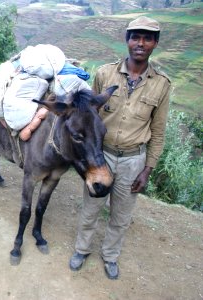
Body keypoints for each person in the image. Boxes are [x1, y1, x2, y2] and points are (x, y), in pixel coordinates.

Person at [69, 16, 171, 280]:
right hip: (100, 157)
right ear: (127, 40)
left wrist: (147, 170)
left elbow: (158, 132)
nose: (140, 43)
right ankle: (81, 249)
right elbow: (87, 116)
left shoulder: (162, 84)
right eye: (135, 37)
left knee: (121, 214)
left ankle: (110, 256)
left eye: (147, 38)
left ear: (155, 43)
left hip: (133, 160)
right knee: (91, 207)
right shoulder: (105, 74)